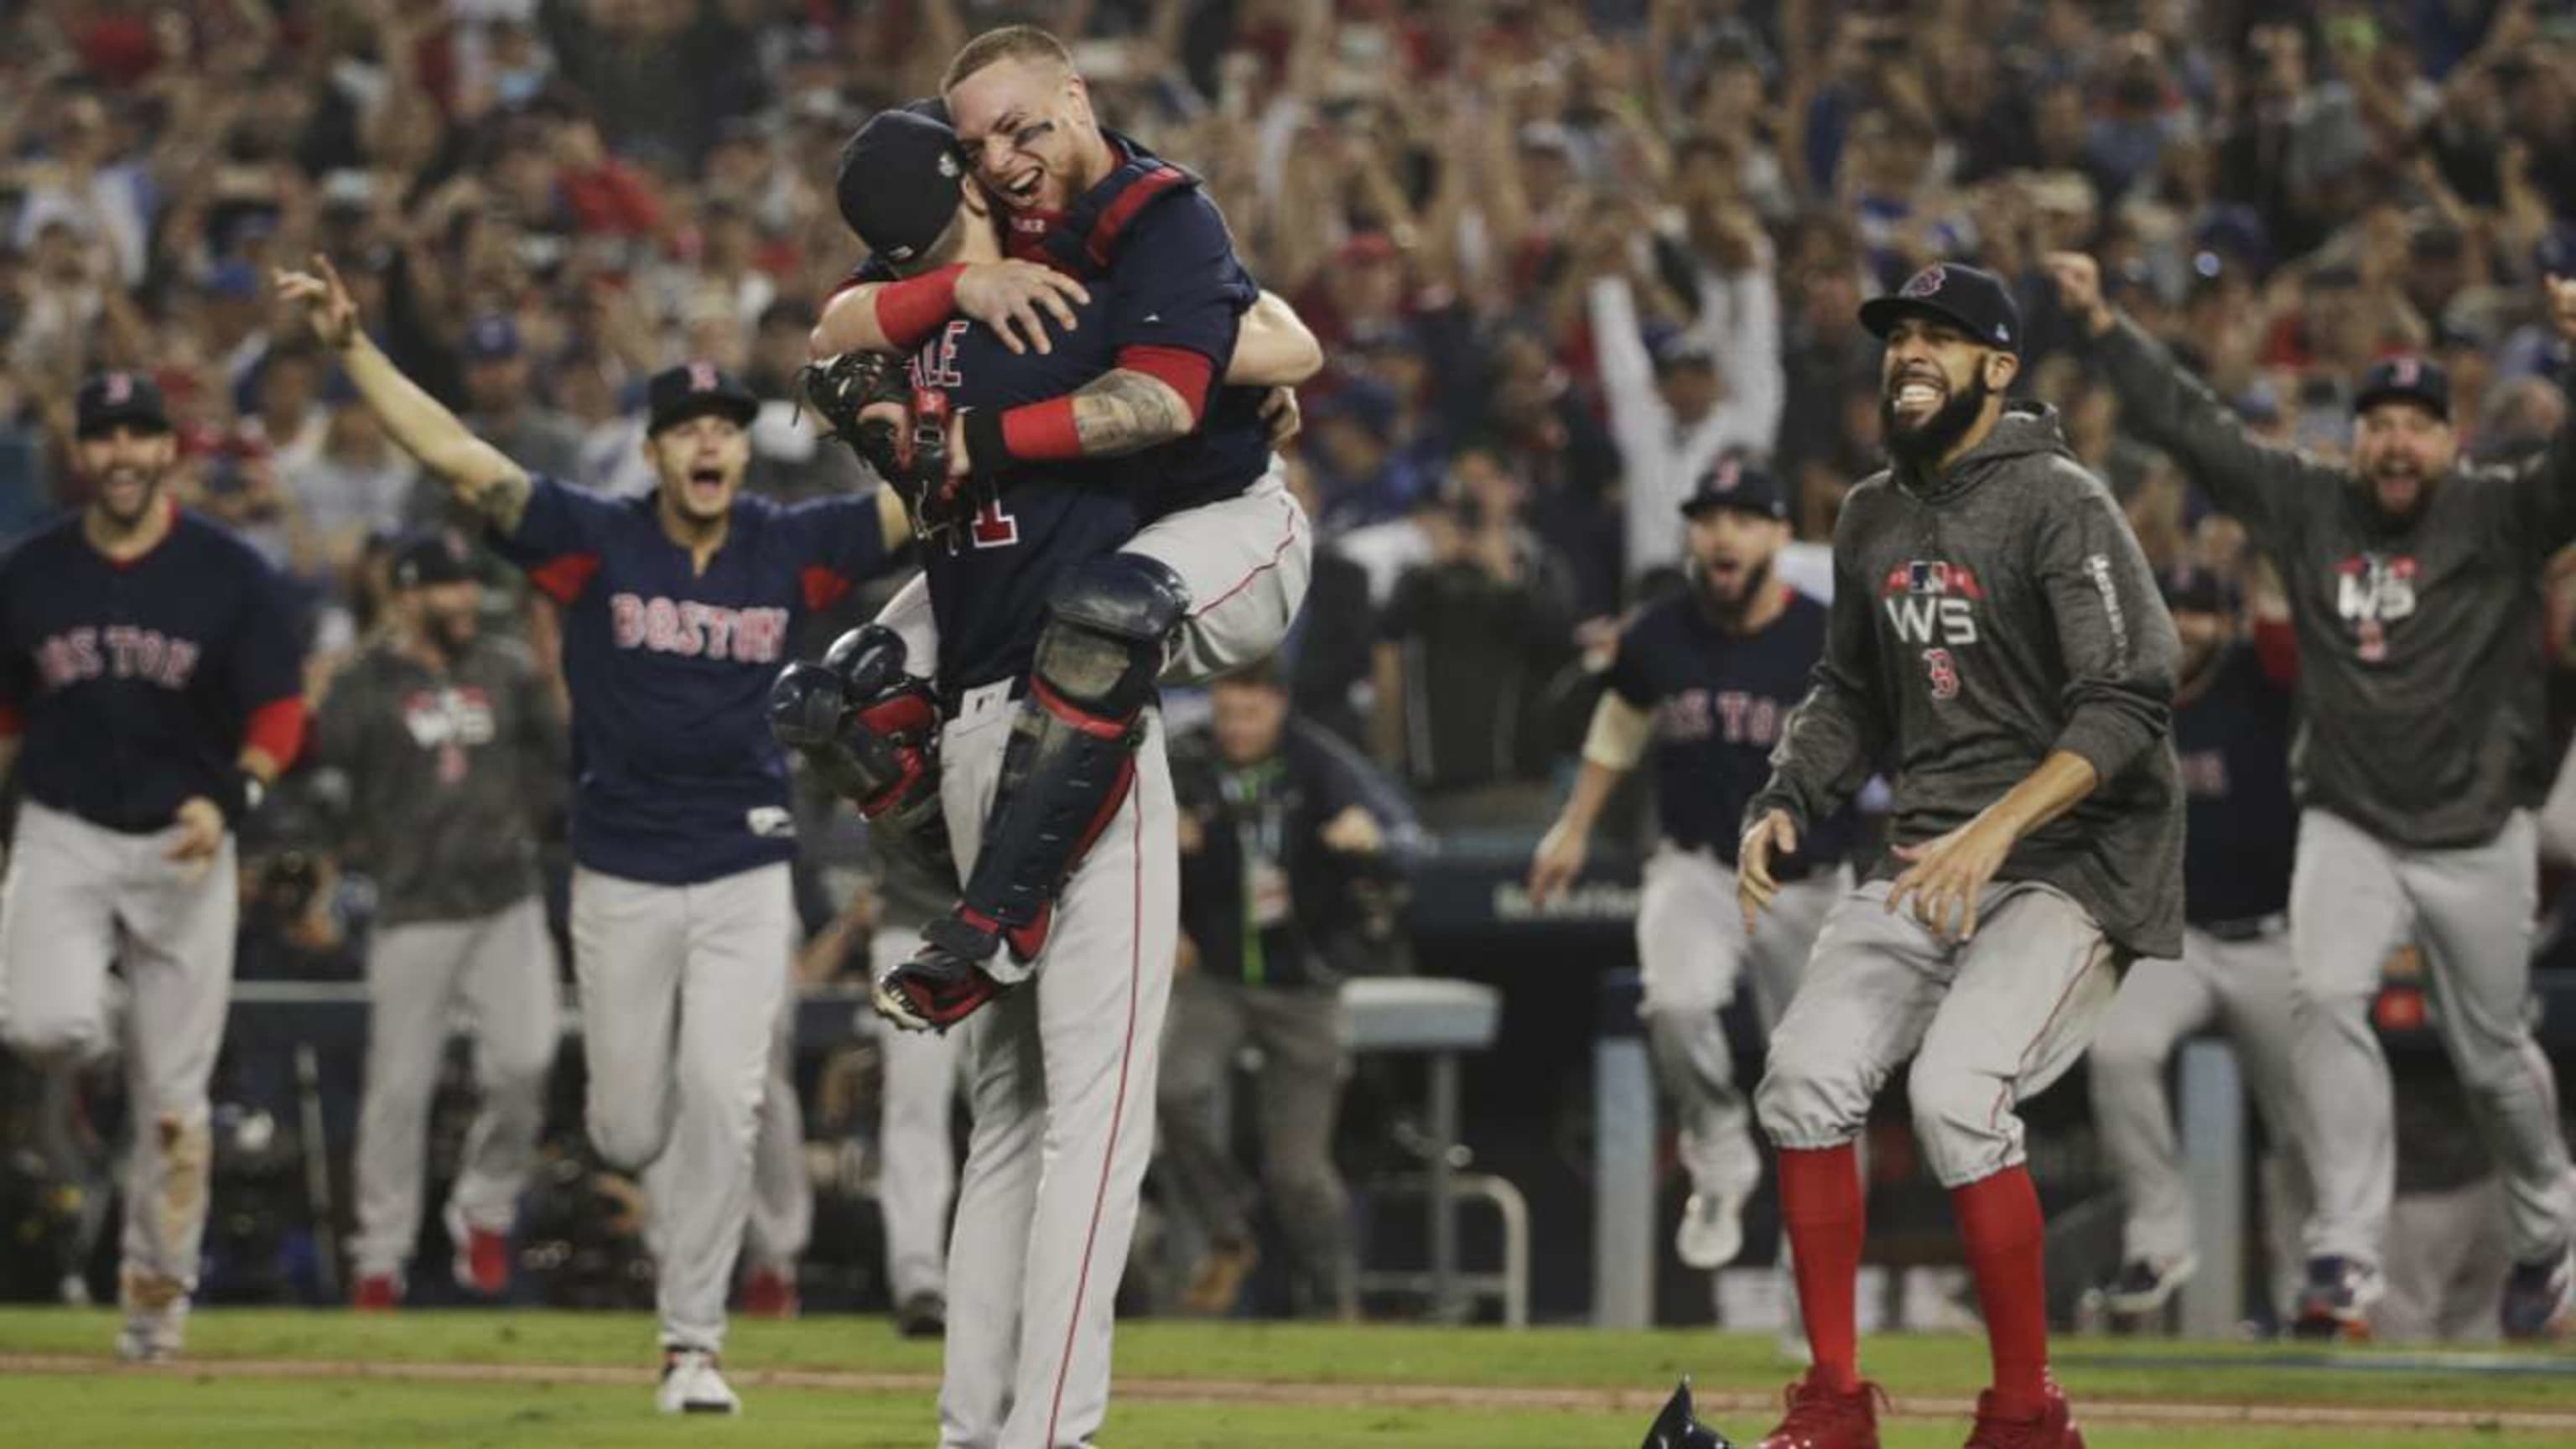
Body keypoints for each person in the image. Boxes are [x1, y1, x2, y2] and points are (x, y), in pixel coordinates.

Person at [276, 256, 910, 1415]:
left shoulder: (793, 541)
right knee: (626, 1126)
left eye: (725, 426)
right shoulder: (596, 538)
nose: (709, 445)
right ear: (654, 451)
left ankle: (693, 1345)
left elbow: (928, 492)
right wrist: (353, 346)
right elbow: (457, 458)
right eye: (686, 430)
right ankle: (658, 1223)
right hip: (618, 869)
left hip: (744, 862)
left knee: (729, 1097)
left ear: (741, 445)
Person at [772, 102, 1316, 1449]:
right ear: (963, 182)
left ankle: (971, 1431)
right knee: (1096, 1121)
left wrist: (940, 289)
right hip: (1070, 731)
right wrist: (1253, 376)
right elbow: (1277, 341)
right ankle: (1046, 1438)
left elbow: (827, 344)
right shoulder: (1063, 304)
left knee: (1009, 1125)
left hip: (964, 715)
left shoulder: (901, 336)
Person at [2051, 252, 2576, 1341]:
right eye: (2377, 421)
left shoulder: (2502, 515)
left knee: (2492, 1057)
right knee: (2327, 999)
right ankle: (2344, 1254)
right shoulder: (2308, 501)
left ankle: (2549, 1236)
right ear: (2353, 437)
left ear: (2451, 440)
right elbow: (2193, 426)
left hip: (2478, 828)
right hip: (2349, 816)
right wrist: (2104, 326)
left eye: (2417, 424)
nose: (2395, 440)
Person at [1740, 262, 2182, 1448]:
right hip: (1933, 852)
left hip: (2074, 859)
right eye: (1899, 336)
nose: (1911, 354)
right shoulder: (1870, 511)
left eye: (1942, 337)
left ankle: (2027, 1416)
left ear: (1999, 367)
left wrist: (2000, 830)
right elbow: (1848, 690)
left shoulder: (2060, 501)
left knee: (1954, 1095)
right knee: (1801, 1082)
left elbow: (2133, 698)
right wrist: (1789, 796)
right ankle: (1835, 1405)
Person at [813, 31, 1317, 988]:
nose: (1000, 164)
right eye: (976, 151)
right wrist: (962, 282)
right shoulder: (985, 223)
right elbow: (830, 332)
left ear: (1076, 100)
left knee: (1101, 621)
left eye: (1017, 131)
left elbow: (1286, 346)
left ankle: (1006, 903)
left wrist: (1208, 369)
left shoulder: (1155, 215)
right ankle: (950, 864)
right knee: (843, 700)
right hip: (1078, 519)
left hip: (1207, 513)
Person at [0, 369, 307, 1360]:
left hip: (186, 839)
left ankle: (154, 1315)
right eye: (105, 439)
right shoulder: (30, 571)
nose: (123, 454)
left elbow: (278, 711)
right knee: (43, 1024)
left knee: (176, 1110)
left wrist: (233, 798)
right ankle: (109, 1015)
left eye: (140, 436)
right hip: (67, 828)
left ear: (169, 450)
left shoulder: (227, 571)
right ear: (80, 456)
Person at [1529, 458, 1854, 1276]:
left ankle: (1811, 1289)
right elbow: (1621, 720)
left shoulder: (1829, 637)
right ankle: (1716, 1153)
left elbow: (1895, 736)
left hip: (1806, 879)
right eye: (1709, 519)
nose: (1723, 534)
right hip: (1698, 866)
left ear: (1780, 536)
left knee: (1815, 1085)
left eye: (1745, 518)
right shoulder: (1658, 630)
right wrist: (1572, 827)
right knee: (1673, 1004)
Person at [315, 527, 567, 1309]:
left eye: (468, 587)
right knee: (398, 1090)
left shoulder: (504, 665)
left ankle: (485, 1208)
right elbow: (325, 772)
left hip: (504, 900)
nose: (465, 601)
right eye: (447, 588)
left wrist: (550, 650)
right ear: (408, 595)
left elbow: (558, 752)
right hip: (412, 907)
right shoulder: (365, 682)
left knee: (526, 1062)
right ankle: (380, 1259)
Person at [1161, 660, 1421, 1318]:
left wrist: (1370, 842)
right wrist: (1162, 862)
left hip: (1304, 984)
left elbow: (1406, 844)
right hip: (1216, 976)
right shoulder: (1184, 762)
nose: (1236, 729)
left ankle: (1335, 1303)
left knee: (1298, 1172)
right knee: (1174, 1089)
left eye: (1249, 714)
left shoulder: (1322, 764)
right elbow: (1114, 843)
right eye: (1225, 714)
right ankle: (1229, 1228)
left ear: (1278, 705)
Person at [2083, 566, 2309, 1322]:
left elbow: (2291, 644)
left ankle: (2309, 1292)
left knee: (2304, 1123)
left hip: (2272, 938)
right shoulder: (2127, 697)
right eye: (2171, 607)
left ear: (2230, 621)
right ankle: (2158, 1239)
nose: (2184, 625)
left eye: (2201, 610)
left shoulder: (2261, 681)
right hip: (2174, 942)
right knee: (2116, 1048)